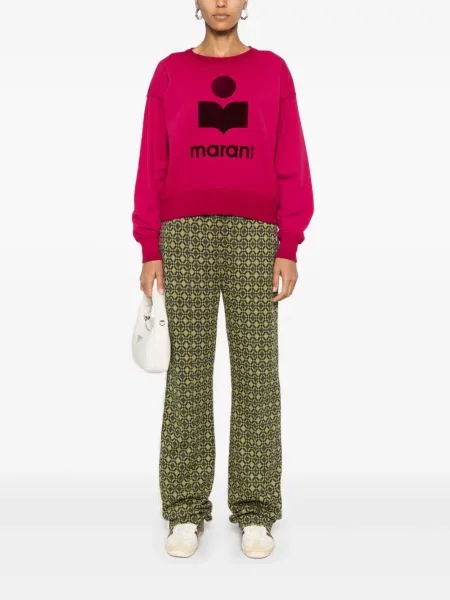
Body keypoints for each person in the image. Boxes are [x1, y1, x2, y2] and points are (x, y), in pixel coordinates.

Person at [132, 0, 314, 559]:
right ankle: (185, 509)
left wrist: (288, 243)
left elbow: (290, 157)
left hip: (256, 234)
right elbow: (152, 160)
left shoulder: (273, 71)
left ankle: (255, 511)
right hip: (183, 233)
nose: (220, 3)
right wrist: (150, 245)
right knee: (187, 372)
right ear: (195, 2)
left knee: (257, 370)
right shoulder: (170, 72)